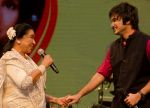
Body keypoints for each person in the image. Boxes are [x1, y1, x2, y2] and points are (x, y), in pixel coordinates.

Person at [66, 2, 150, 108]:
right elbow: (100, 75)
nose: (112, 25)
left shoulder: (146, 42)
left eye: (115, 20)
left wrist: (140, 94)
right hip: (119, 104)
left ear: (128, 20)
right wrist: (79, 94)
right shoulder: (114, 47)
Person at [0, 23, 67, 108]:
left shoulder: (28, 60)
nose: (34, 42)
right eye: (31, 37)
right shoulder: (9, 58)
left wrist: (55, 100)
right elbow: (24, 83)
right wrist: (43, 65)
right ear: (18, 39)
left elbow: (33, 93)